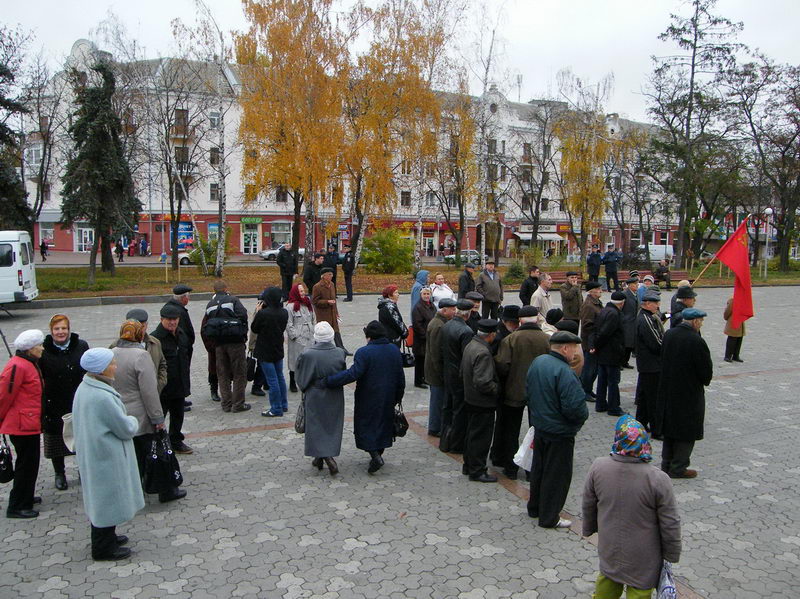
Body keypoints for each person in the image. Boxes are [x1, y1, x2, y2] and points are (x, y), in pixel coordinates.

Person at [582, 415, 681, 599]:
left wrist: (589, 529)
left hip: (610, 547)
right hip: (644, 556)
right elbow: (670, 522)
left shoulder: (598, 467)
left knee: (607, 584)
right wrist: (671, 554)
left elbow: (588, 504)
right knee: (639, 592)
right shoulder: (658, 479)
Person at [72, 348, 143, 561]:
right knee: (106, 499)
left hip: (96, 453)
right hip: (105, 456)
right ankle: (103, 548)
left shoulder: (86, 387)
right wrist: (133, 420)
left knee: (103, 498)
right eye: (111, 364)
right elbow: (124, 428)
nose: (115, 367)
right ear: (101, 369)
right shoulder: (102, 397)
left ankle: (108, 536)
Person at [110, 320, 186, 504]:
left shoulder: (112, 353)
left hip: (121, 411)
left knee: (132, 455)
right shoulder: (141, 356)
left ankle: (134, 491)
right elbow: (149, 391)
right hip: (141, 414)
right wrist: (158, 418)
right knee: (155, 452)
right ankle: (165, 490)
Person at [526, 331, 589, 529]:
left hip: (541, 427)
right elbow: (575, 408)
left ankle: (535, 507)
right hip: (560, 432)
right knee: (556, 476)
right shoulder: (565, 372)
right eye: (574, 348)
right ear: (565, 348)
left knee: (539, 470)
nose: (576, 353)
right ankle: (549, 517)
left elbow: (529, 390)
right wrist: (578, 421)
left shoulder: (538, 362)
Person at [325, 321, 405, 474]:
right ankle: (379, 453)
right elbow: (400, 376)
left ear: (369, 336)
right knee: (383, 424)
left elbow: (353, 373)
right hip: (389, 395)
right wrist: (398, 396)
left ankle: (375, 456)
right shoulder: (394, 350)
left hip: (368, 396)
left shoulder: (364, 352)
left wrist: (330, 381)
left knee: (366, 425)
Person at [654, 308, 713, 479]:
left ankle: (666, 463)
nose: (701, 324)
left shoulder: (669, 334)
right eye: (701, 321)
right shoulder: (696, 340)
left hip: (668, 390)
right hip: (688, 393)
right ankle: (679, 467)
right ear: (695, 321)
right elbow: (705, 371)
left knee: (670, 429)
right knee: (687, 431)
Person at [492, 305, 549, 479]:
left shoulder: (511, 339)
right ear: (537, 319)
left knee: (511, 430)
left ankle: (510, 468)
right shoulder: (546, 339)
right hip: (539, 392)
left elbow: (502, 366)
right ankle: (533, 469)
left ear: (520, 321)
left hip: (514, 390)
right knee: (536, 431)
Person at [39, 314, 89, 491]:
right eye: (57, 329)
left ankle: (83, 470)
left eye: (64, 328)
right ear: (51, 331)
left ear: (69, 329)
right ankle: (59, 473)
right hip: (54, 400)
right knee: (56, 438)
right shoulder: (43, 350)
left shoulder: (80, 345)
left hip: (77, 398)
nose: (61, 332)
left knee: (81, 437)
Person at [0, 330, 45, 519]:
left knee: (30, 463)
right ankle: (17, 505)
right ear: (30, 349)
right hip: (21, 425)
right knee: (26, 465)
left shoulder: (28, 363)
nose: (42, 348)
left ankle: (25, 496)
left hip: (28, 422)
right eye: (39, 345)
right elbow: (4, 395)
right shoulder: (18, 366)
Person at [295, 322, 346, 476]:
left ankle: (327, 458)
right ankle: (320, 457)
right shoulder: (340, 352)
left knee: (316, 425)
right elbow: (342, 372)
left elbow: (301, 378)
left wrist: (305, 387)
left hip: (315, 393)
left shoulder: (308, 354)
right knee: (331, 425)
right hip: (334, 394)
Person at [202, 280, 250, 414]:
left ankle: (226, 404)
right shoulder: (233, 300)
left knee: (223, 374)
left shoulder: (210, 304)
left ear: (214, 291)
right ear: (225, 288)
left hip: (219, 344)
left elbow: (207, 323)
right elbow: (243, 315)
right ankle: (238, 404)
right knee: (239, 373)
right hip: (235, 342)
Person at [461, 319, 500, 483]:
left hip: (470, 398)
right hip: (482, 401)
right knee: (481, 438)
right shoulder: (483, 352)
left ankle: (468, 465)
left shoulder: (471, 345)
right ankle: (477, 471)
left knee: (471, 434)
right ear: (491, 335)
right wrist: (496, 389)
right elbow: (483, 382)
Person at [151, 304, 193, 454]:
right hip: (163, 388)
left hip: (180, 383)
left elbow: (186, 355)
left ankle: (175, 441)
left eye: (175, 319)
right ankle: (156, 444)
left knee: (178, 415)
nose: (173, 322)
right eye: (169, 319)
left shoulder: (181, 334)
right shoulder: (155, 339)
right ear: (161, 319)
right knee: (158, 417)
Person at [439, 299, 475, 453]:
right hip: (459, 375)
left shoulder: (446, 326)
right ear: (468, 314)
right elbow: (467, 357)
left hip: (447, 372)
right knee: (459, 411)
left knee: (447, 407)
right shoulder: (466, 331)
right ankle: (456, 444)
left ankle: (444, 441)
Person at [251, 287, 289, 417]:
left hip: (265, 350)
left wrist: (258, 312)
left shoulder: (263, 314)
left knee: (272, 380)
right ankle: (283, 404)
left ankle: (276, 408)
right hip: (278, 348)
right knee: (280, 377)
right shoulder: (284, 312)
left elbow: (254, 328)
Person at [424, 298, 457, 437]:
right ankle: (435, 427)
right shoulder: (438, 325)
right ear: (444, 310)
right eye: (452, 309)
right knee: (437, 401)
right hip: (435, 372)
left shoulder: (441, 322)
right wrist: (441, 373)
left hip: (435, 370)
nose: (455, 312)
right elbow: (436, 353)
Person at [591, 291, 627, 417]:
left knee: (602, 379)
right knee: (613, 381)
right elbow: (605, 333)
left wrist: (595, 346)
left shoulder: (604, 310)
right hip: (611, 352)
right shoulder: (614, 314)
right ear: (622, 303)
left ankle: (600, 404)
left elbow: (596, 330)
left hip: (603, 352)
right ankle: (613, 407)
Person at [634, 292, 664, 432]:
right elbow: (656, 343)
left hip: (647, 363)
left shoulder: (647, 316)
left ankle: (641, 422)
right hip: (651, 364)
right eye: (655, 303)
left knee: (645, 397)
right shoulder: (645, 319)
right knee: (653, 398)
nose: (657, 306)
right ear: (646, 304)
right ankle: (656, 428)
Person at [164, 284, 195, 412]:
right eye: (188, 296)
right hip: (179, 349)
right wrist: (185, 345)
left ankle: (181, 398)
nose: (189, 299)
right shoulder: (177, 311)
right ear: (183, 298)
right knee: (179, 374)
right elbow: (181, 332)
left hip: (182, 348)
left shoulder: (176, 307)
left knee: (182, 373)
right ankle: (177, 402)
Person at [123, 309, 167, 394]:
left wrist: (159, 385)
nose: (139, 330)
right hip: (130, 396)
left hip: (153, 392)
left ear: (147, 325)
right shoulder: (117, 346)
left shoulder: (155, 343)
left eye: (142, 327)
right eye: (135, 327)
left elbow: (162, 364)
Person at [312, 267, 350, 354]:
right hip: (323, 314)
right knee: (322, 332)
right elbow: (315, 301)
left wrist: (336, 312)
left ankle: (341, 349)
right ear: (323, 276)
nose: (331, 276)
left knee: (336, 331)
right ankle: (316, 349)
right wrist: (327, 302)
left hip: (332, 313)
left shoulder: (332, 284)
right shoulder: (317, 286)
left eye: (332, 274)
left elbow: (334, 300)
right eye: (329, 274)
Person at [286, 283, 315, 393]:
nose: (303, 293)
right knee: (295, 360)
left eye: (303, 291)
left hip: (309, 335)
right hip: (297, 338)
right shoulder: (290, 307)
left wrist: (314, 330)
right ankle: (292, 381)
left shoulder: (308, 304)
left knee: (308, 360)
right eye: (300, 291)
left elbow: (313, 318)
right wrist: (294, 336)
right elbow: (288, 323)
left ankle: (307, 381)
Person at [579, 282, 603, 400]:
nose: (600, 291)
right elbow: (587, 325)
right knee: (589, 368)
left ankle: (588, 389)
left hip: (595, 340)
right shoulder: (588, 305)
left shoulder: (597, 303)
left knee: (594, 369)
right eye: (597, 289)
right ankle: (584, 390)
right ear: (591, 291)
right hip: (590, 342)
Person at [411, 287, 436, 388]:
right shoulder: (418, 307)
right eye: (424, 294)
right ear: (421, 295)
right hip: (421, 340)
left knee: (426, 360)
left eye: (428, 294)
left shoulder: (431, 305)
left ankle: (425, 378)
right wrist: (425, 335)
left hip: (429, 337)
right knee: (420, 360)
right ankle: (418, 381)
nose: (426, 296)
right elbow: (417, 324)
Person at [621, 277, 639, 369]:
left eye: (637, 283)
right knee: (625, 343)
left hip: (633, 322)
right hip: (626, 322)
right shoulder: (624, 294)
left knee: (630, 343)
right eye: (635, 284)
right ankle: (620, 362)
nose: (637, 285)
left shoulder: (635, 294)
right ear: (629, 285)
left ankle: (625, 361)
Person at [723, 297, 744, 363]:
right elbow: (727, 312)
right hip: (733, 321)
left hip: (740, 321)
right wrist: (727, 318)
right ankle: (727, 356)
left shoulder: (744, 300)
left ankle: (736, 355)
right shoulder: (733, 301)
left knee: (739, 339)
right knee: (732, 339)